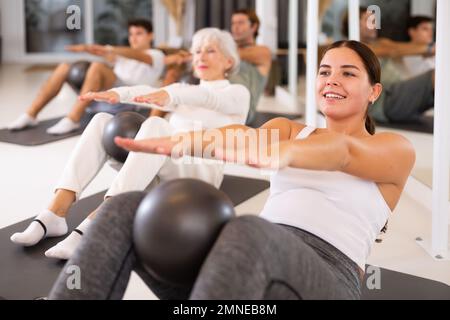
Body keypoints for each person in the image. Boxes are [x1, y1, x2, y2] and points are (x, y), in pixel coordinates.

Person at [49, 40, 415, 300]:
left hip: (327, 278)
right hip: (240, 273)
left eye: (348, 73)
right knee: (125, 207)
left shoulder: (393, 149)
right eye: (324, 72)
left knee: (250, 229)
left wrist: (283, 154)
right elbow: (242, 136)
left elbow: (343, 152)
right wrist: (179, 142)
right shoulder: (290, 129)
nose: (331, 80)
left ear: (373, 91)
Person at [10, 28, 250, 260]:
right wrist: (118, 94)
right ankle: (55, 212)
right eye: (197, 51)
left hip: (200, 172)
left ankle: (99, 221)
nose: (200, 57)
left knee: (157, 126)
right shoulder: (182, 90)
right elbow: (150, 91)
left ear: (228, 62)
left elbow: (208, 97)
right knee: (102, 119)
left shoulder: (237, 93)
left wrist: (172, 95)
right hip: (158, 165)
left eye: (210, 51)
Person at [8, 19, 186, 135]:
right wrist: (86, 48)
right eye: (131, 34)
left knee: (98, 67)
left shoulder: (155, 55)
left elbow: (137, 56)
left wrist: (109, 49)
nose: (133, 38)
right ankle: (30, 115)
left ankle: (72, 119)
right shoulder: (121, 55)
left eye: (138, 33)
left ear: (150, 36)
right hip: (99, 96)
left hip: (124, 100)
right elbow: (103, 52)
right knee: (64, 67)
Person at [344, 7, 435, 123]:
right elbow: (392, 49)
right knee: (438, 75)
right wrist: (431, 48)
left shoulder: (380, 43)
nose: (375, 25)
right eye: (369, 21)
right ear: (354, 24)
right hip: (385, 103)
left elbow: (391, 46)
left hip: (398, 97)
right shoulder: (351, 49)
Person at [229, 9, 272, 124]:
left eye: (241, 23)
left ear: (254, 27)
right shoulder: (227, 52)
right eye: (233, 23)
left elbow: (237, 55)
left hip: (242, 114)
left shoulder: (263, 52)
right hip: (218, 101)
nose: (235, 27)